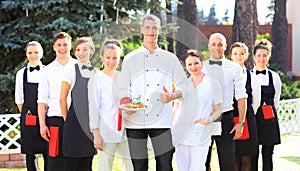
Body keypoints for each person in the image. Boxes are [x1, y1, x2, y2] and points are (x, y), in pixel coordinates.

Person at [117, 14, 187, 171]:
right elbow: (123, 88)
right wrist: (126, 105)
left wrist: (173, 95)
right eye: (147, 27)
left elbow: (185, 86)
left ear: (160, 30)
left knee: (164, 165)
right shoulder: (130, 58)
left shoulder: (170, 58)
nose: (151, 31)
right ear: (142, 29)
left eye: (154, 27)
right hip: (135, 120)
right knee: (139, 166)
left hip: (162, 119)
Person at [172, 50, 223, 171]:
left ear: (202, 64)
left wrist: (208, 120)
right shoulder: (182, 84)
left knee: (198, 167)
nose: (193, 67)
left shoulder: (213, 84)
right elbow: (175, 109)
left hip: (201, 132)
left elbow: (218, 109)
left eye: (196, 63)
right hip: (181, 132)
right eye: (189, 64)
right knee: (182, 168)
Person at [203, 33, 248, 171]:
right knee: (203, 162)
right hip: (205, 117)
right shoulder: (201, 67)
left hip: (226, 118)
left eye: (220, 44)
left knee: (228, 163)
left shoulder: (235, 68)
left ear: (225, 46)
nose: (217, 47)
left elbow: (241, 96)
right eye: (214, 44)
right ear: (209, 46)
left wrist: (241, 122)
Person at [89, 39, 133, 171]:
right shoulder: (97, 79)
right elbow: (93, 107)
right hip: (106, 130)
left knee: (132, 166)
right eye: (108, 57)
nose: (111, 61)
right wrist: (96, 134)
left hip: (125, 128)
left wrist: (131, 109)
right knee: (106, 167)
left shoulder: (123, 77)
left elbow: (128, 102)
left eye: (115, 58)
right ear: (102, 57)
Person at [37, 32, 77, 171]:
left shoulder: (79, 67)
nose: (62, 48)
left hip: (76, 121)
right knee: (54, 162)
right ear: (54, 47)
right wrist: (42, 125)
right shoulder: (47, 71)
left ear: (70, 46)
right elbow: (41, 100)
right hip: (54, 121)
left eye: (65, 44)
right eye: (59, 45)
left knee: (74, 161)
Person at [59, 37, 97, 170]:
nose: (81, 53)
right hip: (73, 125)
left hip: (90, 126)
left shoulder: (96, 72)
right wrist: (67, 120)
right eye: (78, 50)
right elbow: (62, 99)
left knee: (87, 165)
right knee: (71, 165)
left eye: (84, 49)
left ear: (91, 51)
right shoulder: (70, 70)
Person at [15, 41, 47, 171]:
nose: (33, 55)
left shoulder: (47, 71)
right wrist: (27, 113)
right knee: (30, 151)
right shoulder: (21, 73)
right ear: (26, 54)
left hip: (46, 115)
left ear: (41, 53)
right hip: (29, 116)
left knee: (47, 149)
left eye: (36, 52)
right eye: (30, 53)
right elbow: (19, 98)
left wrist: (43, 115)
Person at [229, 42, 260, 171]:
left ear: (246, 55)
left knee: (246, 157)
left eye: (242, 53)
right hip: (230, 118)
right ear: (231, 56)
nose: (239, 56)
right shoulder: (227, 76)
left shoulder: (252, 77)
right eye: (235, 54)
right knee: (233, 156)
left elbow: (256, 101)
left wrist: (246, 114)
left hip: (247, 119)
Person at [252, 39, 281, 171]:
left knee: (268, 154)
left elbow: (276, 100)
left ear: (268, 56)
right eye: (259, 55)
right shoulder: (248, 75)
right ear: (254, 57)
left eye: (264, 55)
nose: (261, 58)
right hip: (253, 119)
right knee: (253, 154)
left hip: (269, 120)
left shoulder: (274, 77)